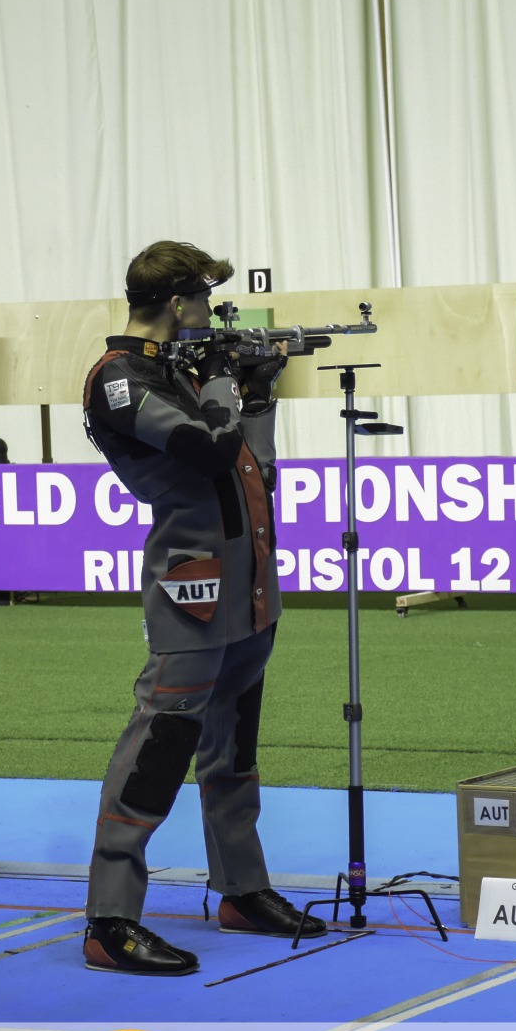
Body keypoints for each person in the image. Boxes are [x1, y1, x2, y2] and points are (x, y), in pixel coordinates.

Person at [77, 240, 325, 975]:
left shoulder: (177, 371)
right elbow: (209, 448)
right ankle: (110, 919)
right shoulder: (119, 379)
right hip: (191, 588)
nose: (212, 313)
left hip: (247, 585)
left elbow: (253, 467)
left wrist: (259, 394)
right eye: (205, 300)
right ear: (177, 302)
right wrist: (220, 378)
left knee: (234, 749)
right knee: (159, 747)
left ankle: (241, 890)